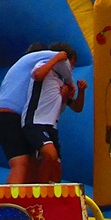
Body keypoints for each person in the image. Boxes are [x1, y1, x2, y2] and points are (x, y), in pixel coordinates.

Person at [19, 42, 86, 182]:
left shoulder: (63, 83)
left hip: (51, 127)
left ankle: (49, 188)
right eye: (71, 64)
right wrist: (56, 58)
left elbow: (77, 107)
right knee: (50, 154)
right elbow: (37, 75)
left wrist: (81, 91)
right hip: (35, 121)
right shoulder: (44, 68)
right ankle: (42, 190)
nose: (72, 68)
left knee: (56, 170)